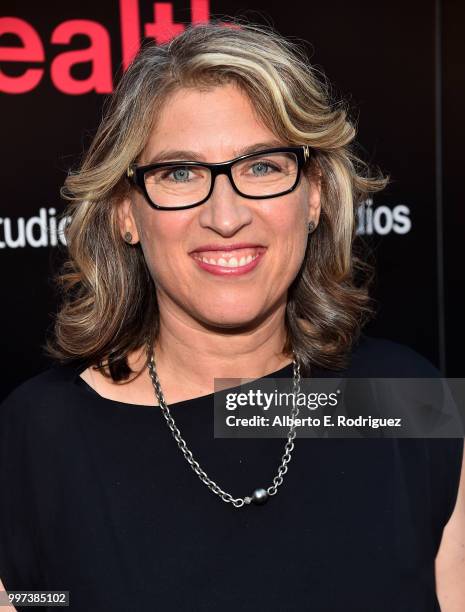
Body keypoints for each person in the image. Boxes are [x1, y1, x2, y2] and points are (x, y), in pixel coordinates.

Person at [0, 18, 464, 612]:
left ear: (315, 194)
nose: (225, 214)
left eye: (262, 166)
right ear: (125, 213)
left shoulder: (409, 404)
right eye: (180, 173)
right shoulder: (38, 441)